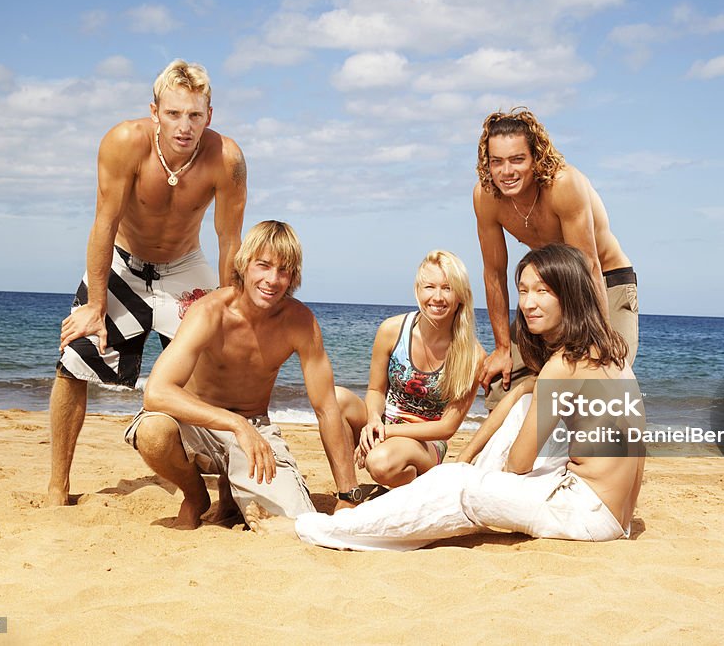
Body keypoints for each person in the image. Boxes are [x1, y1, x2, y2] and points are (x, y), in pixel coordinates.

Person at [286, 243, 644, 550]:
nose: (529, 303)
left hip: (584, 513)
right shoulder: (610, 354)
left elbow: (518, 465)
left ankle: (329, 529)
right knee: (518, 405)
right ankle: (462, 473)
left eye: (543, 291)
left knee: (454, 486)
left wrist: (474, 478)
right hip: (615, 514)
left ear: (569, 295)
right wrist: (473, 454)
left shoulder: (561, 367)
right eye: (523, 291)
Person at [48, 59, 247, 506]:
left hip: (184, 266)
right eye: (174, 114)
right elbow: (104, 223)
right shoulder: (124, 143)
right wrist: (95, 306)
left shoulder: (226, 158)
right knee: (75, 357)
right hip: (123, 260)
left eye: (195, 115)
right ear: (155, 111)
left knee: (214, 370)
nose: (184, 126)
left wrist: (230, 308)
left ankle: (226, 494)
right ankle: (57, 486)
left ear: (209, 116)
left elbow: (229, 239)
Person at [122, 220, 359, 529]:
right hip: (198, 424)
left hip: (256, 429)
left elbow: (326, 407)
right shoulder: (210, 312)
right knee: (153, 431)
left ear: (293, 277)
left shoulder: (300, 322)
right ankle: (195, 496)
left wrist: (348, 494)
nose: (272, 280)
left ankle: (234, 487)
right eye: (263, 266)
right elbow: (157, 392)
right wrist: (235, 424)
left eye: (283, 270)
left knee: (293, 527)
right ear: (245, 264)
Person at [473, 108, 638, 410]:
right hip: (549, 287)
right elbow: (494, 273)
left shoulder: (563, 185)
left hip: (603, 282)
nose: (506, 172)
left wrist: (597, 339)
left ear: (535, 157)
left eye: (517, 160)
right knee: (500, 385)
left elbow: (587, 265)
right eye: (497, 162)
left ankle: (604, 454)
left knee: (602, 378)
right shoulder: (487, 197)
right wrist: (501, 348)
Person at [336, 250, 485, 489]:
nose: (437, 297)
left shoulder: (474, 356)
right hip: (384, 422)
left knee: (381, 463)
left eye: (447, 288)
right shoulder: (391, 330)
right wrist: (373, 419)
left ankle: (408, 488)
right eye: (429, 287)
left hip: (427, 442)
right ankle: (348, 492)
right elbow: (375, 389)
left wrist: (387, 433)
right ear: (418, 290)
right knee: (336, 398)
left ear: (461, 296)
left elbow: (447, 427)